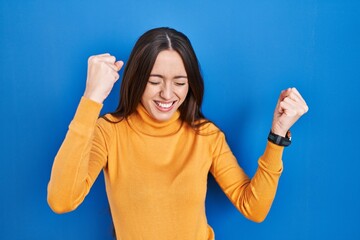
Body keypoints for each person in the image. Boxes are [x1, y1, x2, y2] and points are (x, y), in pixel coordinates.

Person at [47, 27, 308, 240]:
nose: (168, 94)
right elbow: (61, 200)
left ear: (191, 84)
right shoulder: (110, 132)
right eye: (154, 81)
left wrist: (277, 136)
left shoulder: (206, 136)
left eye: (180, 83)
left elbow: (254, 207)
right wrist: (91, 99)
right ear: (137, 80)